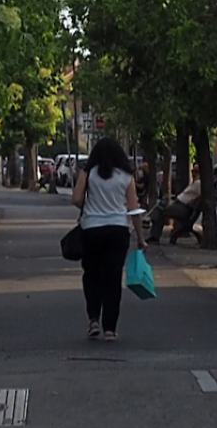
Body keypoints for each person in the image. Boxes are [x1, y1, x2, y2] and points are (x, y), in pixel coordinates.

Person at [71, 136, 146, 341]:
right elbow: (133, 209)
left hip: (91, 229)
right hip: (118, 230)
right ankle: (110, 329)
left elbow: (76, 199)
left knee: (92, 274)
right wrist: (140, 237)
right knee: (113, 279)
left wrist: (89, 209)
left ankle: (93, 319)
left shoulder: (88, 173)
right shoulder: (126, 176)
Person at [146, 165, 201, 244]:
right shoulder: (195, 182)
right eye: (192, 171)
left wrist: (193, 202)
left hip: (183, 207)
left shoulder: (199, 184)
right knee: (162, 203)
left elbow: (201, 196)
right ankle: (150, 220)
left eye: (196, 172)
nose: (193, 173)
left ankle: (152, 227)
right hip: (178, 203)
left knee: (161, 211)